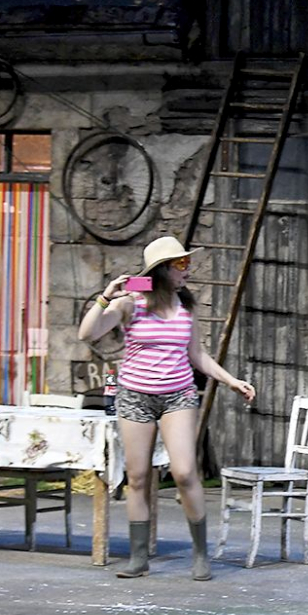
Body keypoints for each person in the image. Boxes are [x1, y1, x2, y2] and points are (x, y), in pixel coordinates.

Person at [78, 236, 257, 580]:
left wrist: (231, 380)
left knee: (185, 472)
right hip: (135, 397)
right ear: (161, 270)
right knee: (138, 477)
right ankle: (138, 557)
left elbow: (197, 355)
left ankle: (200, 554)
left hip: (178, 395)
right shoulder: (131, 303)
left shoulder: (186, 305)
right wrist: (106, 296)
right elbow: (87, 333)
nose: (187, 270)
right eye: (181, 264)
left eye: (187, 263)